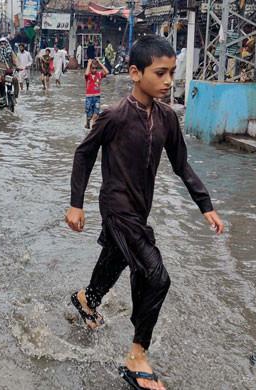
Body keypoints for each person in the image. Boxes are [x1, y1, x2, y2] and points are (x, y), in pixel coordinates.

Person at [66, 35, 224, 390]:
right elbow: (83, 154)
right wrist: (76, 203)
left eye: (172, 73)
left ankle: (86, 300)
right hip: (117, 207)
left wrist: (206, 206)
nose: (169, 81)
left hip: (139, 209)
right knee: (156, 276)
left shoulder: (167, 118)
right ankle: (137, 355)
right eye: (161, 73)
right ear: (136, 74)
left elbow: (182, 165)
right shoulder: (114, 115)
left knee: (118, 258)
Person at [0, 37, 20, 106]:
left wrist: (17, 66)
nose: (3, 44)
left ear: (6, 43)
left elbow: (15, 60)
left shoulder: (11, 51)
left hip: (9, 72)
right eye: (1, 43)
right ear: (0, 44)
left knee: (15, 80)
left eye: (4, 42)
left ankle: (15, 95)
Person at [84, 58, 108, 129]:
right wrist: (89, 64)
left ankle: (93, 129)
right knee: (89, 115)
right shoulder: (88, 76)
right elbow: (86, 73)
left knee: (96, 114)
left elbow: (107, 72)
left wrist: (100, 63)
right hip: (89, 97)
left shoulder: (99, 74)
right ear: (90, 68)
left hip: (97, 97)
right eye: (93, 68)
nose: (94, 70)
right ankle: (87, 123)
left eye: (96, 68)